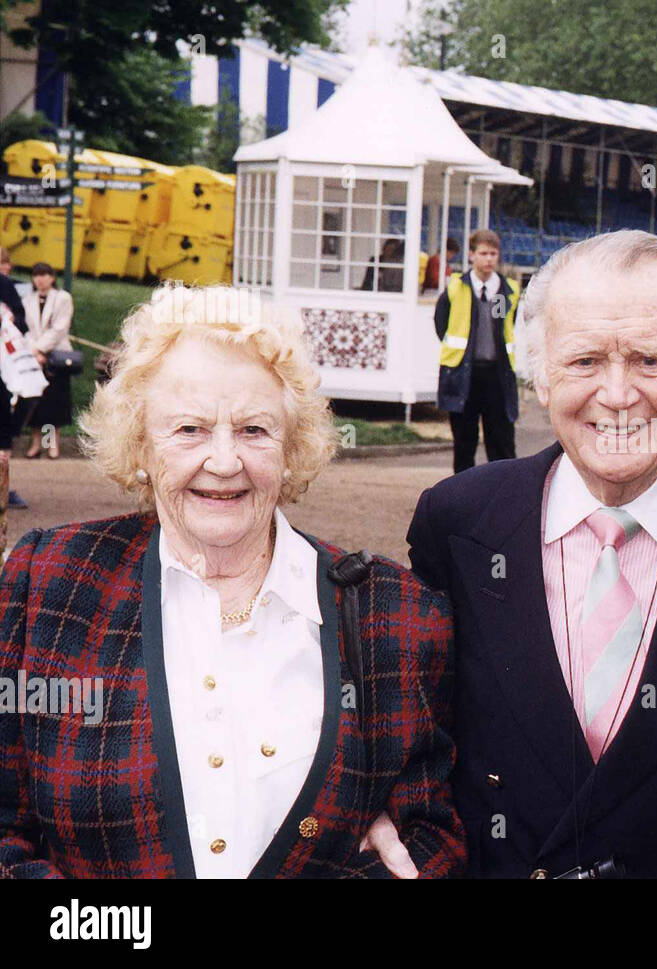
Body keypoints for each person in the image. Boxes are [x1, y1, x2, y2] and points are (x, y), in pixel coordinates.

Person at [367, 230, 657, 878]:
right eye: (585, 362)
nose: (618, 392)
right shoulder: (459, 523)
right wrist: (371, 802)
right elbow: (412, 725)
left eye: (650, 361)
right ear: (540, 376)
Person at [0, 286, 465, 877]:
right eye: (189, 429)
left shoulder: (394, 615)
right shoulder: (50, 585)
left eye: (253, 430)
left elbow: (432, 836)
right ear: (140, 442)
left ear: (293, 448)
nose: (223, 462)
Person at [434, 228, 520, 474]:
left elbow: (504, 325)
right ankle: (464, 499)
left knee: (501, 443)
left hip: (497, 376)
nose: (489, 259)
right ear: (471, 255)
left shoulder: (506, 290)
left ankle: (503, 494)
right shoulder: (456, 288)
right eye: (483, 253)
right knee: (464, 443)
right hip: (463, 375)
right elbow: (441, 324)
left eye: (493, 253)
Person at [19, 262, 74, 460]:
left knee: (53, 403)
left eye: (44, 275)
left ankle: (50, 444)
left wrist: (41, 349)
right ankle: (35, 444)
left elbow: (59, 329)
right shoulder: (27, 299)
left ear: (52, 277)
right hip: (33, 357)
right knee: (35, 403)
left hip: (55, 357)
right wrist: (34, 352)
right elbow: (24, 328)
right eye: (36, 276)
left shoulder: (62, 298)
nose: (40, 280)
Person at [0, 247, 30, 530]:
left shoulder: (5, 287)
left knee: (3, 423)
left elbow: (20, 321)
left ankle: (2, 484)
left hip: (2, 367)